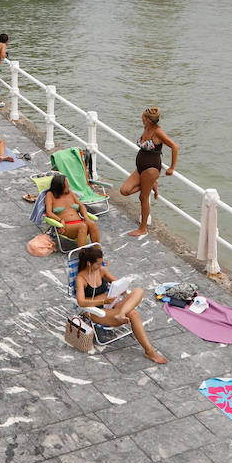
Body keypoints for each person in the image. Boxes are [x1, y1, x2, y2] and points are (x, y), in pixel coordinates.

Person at [74, 245, 167, 363]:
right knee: (133, 314)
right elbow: (80, 301)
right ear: (88, 263)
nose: (101, 265)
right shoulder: (81, 278)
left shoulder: (101, 271)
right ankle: (150, 351)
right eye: (98, 263)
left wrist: (121, 288)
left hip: (110, 306)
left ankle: (121, 314)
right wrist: (103, 301)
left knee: (139, 291)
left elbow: (116, 282)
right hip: (97, 312)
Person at [118, 107, 179, 237]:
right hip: (140, 168)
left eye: (143, 117)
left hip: (151, 169)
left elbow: (174, 146)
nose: (141, 119)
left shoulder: (158, 132)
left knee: (143, 198)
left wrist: (172, 168)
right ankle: (151, 185)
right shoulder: (146, 128)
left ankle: (143, 228)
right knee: (124, 190)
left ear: (148, 120)